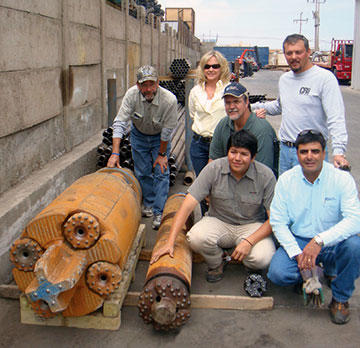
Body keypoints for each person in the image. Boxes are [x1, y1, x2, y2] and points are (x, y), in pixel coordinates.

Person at [151, 130, 276, 283]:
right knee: (195, 237)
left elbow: (274, 220)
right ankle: (218, 261)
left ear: (253, 157)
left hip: (251, 225)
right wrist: (169, 242)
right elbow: (187, 205)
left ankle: (250, 265)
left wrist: (249, 242)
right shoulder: (213, 169)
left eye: (243, 154)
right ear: (227, 152)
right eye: (233, 152)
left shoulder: (265, 176)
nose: (237, 158)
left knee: (263, 257)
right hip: (219, 221)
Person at [268, 130, 360, 325]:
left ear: (324, 153)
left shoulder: (341, 179)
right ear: (297, 154)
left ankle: (341, 298)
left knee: (354, 246)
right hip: (300, 240)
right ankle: (313, 271)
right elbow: (278, 221)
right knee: (278, 273)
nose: (309, 156)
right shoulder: (286, 180)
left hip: (332, 242)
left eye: (315, 151)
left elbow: (354, 219)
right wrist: (296, 252)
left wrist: (319, 241)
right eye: (304, 152)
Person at [252, 34, 349, 175]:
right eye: (289, 53)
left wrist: (339, 151)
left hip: (312, 154)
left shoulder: (324, 79)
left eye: (298, 52)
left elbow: (336, 117)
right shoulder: (285, 79)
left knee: (312, 195)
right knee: (287, 195)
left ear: (308, 52)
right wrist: (251, 107)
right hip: (285, 151)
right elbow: (280, 106)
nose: (293, 57)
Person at [107, 65, 178, 230]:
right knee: (143, 171)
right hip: (138, 135)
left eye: (151, 84)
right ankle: (149, 203)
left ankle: (159, 211)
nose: (148, 89)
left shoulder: (169, 100)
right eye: (144, 85)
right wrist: (115, 152)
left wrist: (162, 154)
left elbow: (167, 131)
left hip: (159, 138)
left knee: (161, 171)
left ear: (157, 83)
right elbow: (119, 123)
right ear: (138, 85)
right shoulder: (131, 95)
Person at [210, 82, 279, 177]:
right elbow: (213, 161)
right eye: (228, 103)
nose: (231, 107)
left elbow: (263, 173)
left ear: (247, 103)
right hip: (229, 179)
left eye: (236, 102)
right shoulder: (223, 124)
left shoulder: (262, 130)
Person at [189, 50, 230, 177]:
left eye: (215, 66)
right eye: (207, 66)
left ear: (221, 68)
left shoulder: (229, 89)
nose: (211, 69)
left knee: (220, 183)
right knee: (202, 184)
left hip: (221, 144)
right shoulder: (195, 91)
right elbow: (193, 115)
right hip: (198, 145)